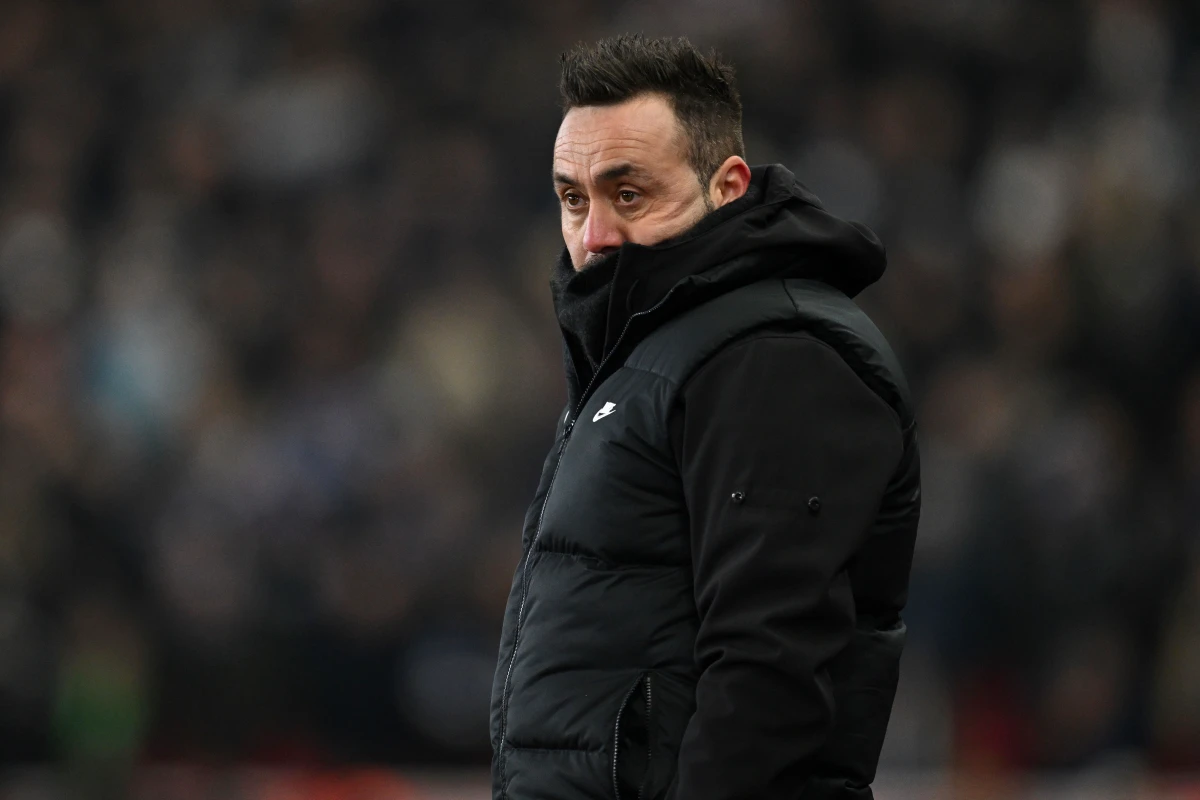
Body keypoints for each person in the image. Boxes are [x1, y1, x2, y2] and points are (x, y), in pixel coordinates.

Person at [490, 34, 921, 800]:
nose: (593, 238)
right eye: (572, 199)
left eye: (629, 195)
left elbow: (767, 674)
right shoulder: (656, 354)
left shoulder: (773, 354)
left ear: (726, 185)